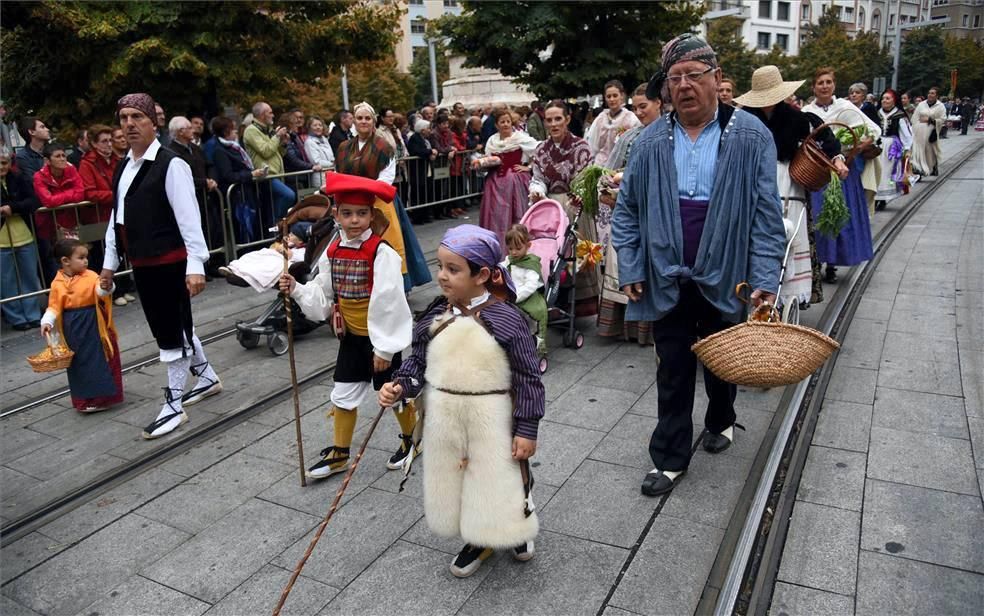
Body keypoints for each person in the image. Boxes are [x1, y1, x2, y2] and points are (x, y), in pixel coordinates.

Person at [611, 34, 786, 497]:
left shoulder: (751, 136)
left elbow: (768, 215)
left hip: (726, 272)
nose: (685, 86)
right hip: (666, 273)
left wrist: (765, 276)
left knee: (723, 359)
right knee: (672, 366)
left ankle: (722, 418)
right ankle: (670, 458)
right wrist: (630, 265)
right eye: (675, 78)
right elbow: (626, 211)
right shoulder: (648, 143)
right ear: (666, 88)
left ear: (717, 79)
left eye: (695, 75)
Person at [379, 224, 544, 578]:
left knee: (505, 477)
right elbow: (418, 361)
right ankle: (478, 537)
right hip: (447, 418)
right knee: (463, 479)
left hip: (494, 417)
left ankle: (518, 523)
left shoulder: (508, 320)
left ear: (482, 274)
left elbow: (529, 378)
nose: (442, 276)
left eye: (453, 269)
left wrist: (526, 428)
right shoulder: (436, 315)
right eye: (440, 266)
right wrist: (401, 385)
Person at [101, 93, 222, 439]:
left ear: (152, 122)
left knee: (170, 333)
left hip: (170, 261)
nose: (129, 124)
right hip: (142, 262)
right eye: (123, 117)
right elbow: (116, 218)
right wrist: (110, 263)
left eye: (136, 117)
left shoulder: (171, 165)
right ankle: (207, 376)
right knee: (173, 326)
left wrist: (196, 264)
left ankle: (174, 404)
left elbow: (189, 219)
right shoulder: (125, 165)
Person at [279, 173, 415, 479]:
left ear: (372, 215)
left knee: (392, 393)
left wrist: (384, 347)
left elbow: (390, 302)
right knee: (342, 393)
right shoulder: (333, 251)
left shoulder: (382, 253)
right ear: (337, 215)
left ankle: (411, 441)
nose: (355, 220)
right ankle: (340, 453)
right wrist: (297, 289)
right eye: (348, 213)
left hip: (380, 338)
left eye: (362, 213)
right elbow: (323, 292)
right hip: (351, 336)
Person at [735, 66, 849, 308]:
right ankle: (755, 289)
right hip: (752, 181)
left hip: (789, 181)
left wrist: (838, 159)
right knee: (755, 234)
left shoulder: (799, 118)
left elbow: (827, 139)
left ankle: (787, 297)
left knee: (790, 235)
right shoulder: (742, 119)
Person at [335, 101, 430, 291]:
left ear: (373, 121)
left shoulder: (384, 147)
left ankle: (395, 286)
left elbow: (386, 178)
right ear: (353, 121)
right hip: (352, 204)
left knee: (387, 245)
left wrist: (361, 188)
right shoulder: (344, 147)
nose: (363, 122)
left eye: (367, 118)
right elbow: (339, 174)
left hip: (379, 201)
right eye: (359, 118)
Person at [597, 84, 662, 343]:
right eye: (635, 108)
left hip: (655, 215)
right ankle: (624, 328)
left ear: (659, 102)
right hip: (629, 211)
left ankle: (652, 330)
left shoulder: (671, 135)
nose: (638, 112)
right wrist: (609, 188)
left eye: (643, 106)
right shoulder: (630, 136)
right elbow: (610, 171)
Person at [801, 68, 878, 283]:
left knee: (839, 214)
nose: (824, 86)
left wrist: (863, 143)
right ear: (813, 87)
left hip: (843, 169)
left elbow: (873, 129)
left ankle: (833, 262)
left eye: (828, 82)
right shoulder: (806, 110)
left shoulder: (846, 107)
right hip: (817, 170)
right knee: (818, 214)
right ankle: (818, 259)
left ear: (834, 85)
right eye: (820, 83)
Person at [527, 100, 596, 313]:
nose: (554, 124)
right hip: (550, 210)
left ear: (567, 119)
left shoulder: (581, 146)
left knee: (576, 255)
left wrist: (580, 195)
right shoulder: (541, 149)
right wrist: (537, 191)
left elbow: (587, 178)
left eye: (558, 119)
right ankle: (554, 299)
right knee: (551, 255)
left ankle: (583, 304)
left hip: (575, 207)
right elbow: (537, 177)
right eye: (549, 120)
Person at [40, 238, 123, 412]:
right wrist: (47, 321)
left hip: (94, 323)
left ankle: (104, 397)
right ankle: (85, 400)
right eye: (81, 257)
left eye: (86, 257)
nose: (86, 261)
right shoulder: (57, 283)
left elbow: (100, 292)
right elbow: (54, 305)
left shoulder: (91, 275)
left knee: (101, 357)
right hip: (73, 327)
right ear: (65, 261)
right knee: (78, 362)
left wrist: (106, 286)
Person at [476, 108, 538, 251]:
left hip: (515, 182)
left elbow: (540, 151)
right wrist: (482, 163)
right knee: (495, 216)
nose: (505, 124)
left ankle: (519, 248)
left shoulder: (520, 138)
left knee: (516, 214)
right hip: (494, 184)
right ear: (497, 125)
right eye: (502, 122)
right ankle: (496, 248)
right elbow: (488, 158)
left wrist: (528, 167)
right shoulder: (492, 140)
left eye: (508, 121)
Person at [0, 148, 43, 330]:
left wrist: (12, 207)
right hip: (2, 240)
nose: (2, 166)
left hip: (25, 235)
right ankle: (16, 318)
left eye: (4, 162)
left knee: (30, 277)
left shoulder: (19, 178)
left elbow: (33, 201)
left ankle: (33, 314)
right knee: (6, 280)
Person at [211, 115, 268, 243]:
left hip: (246, 193)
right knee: (244, 231)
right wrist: (251, 174)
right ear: (226, 131)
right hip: (238, 197)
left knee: (253, 228)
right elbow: (228, 175)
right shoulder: (220, 151)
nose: (236, 131)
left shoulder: (234, 147)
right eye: (233, 129)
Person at [78, 124, 121, 276]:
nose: (109, 144)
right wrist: (114, 195)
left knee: (119, 250)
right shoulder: (87, 163)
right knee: (102, 254)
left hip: (116, 214)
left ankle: (123, 286)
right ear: (94, 144)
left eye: (110, 140)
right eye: (104, 141)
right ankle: (108, 291)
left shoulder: (117, 160)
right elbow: (90, 193)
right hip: (98, 218)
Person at [243, 101, 296, 219]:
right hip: (265, 176)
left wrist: (283, 143)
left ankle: (275, 227)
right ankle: (276, 224)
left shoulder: (267, 130)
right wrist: (277, 136)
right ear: (262, 115)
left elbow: (278, 153)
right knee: (289, 195)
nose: (273, 115)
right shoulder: (251, 130)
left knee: (273, 206)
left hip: (276, 175)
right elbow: (266, 151)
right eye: (270, 113)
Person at [220, 222, 308, 292]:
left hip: (283, 262)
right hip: (274, 255)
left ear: (300, 241)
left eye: (292, 235)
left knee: (268, 266)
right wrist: (279, 247)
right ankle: (234, 268)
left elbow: (298, 258)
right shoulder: (290, 245)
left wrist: (287, 250)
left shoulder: (302, 250)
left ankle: (247, 277)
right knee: (256, 255)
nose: (289, 236)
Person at [502, 223, 548, 356]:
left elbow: (531, 286)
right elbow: (501, 268)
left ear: (528, 246)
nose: (514, 252)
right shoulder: (509, 260)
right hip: (510, 294)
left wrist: (516, 296)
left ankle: (537, 343)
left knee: (536, 313)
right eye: (510, 249)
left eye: (518, 248)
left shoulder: (531, 264)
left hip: (528, 296)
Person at [33, 142, 86, 242]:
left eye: (63, 155)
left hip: (72, 222)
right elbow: (48, 201)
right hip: (49, 226)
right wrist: (70, 193)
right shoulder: (39, 176)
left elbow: (80, 195)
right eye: (58, 156)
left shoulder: (71, 169)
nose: (62, 159)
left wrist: (57, 197)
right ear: (47, 161)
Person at [874, 89, 915, 210]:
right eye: (883, 98)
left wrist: (907, 149)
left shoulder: (900, 115)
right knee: (877, 171)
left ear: (894, 101)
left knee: (887, 172)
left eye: (888, 98)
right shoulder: (877, 113)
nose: (884, 101)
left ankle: (883, 198)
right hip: (878, 145)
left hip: (892, 148)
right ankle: (875, 196)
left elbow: (907, 134)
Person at [586, 80, 642, 166]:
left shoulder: (631, 118)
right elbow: (592, 144)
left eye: (615, 96)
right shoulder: (600, 119)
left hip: (621, 167)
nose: (612, 99)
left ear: (622, 96)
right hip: (599, 166)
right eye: (609, 96)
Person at [910, 87, 946, 177]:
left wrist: (930, 120)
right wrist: (914, 128)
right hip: (919, 132)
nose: (930, 95)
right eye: (929, 93)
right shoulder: (921, 104)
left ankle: (933, 167)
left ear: (937, 96)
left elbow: (942, 119)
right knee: (919, 151)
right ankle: (919, 169)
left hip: (931, 132)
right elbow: (915, 118)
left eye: (933, 93)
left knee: (931, 151)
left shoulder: (940, 106)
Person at [303, 115, 335, 189]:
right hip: (319, 177)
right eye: (315, 125)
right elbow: (316, 161)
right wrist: (332, 164)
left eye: (320, 125)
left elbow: (331, 156)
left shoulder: (324, 139)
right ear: (309, 127)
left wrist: (333, 162)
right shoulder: (309, 142)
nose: (318, 127)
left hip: (330, 174)